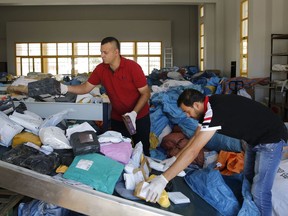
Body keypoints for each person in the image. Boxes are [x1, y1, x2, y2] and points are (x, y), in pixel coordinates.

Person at [145, 88, 288, 216]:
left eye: (186, 111)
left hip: (271, 139)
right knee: (249, 178)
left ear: (196, 105)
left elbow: (194, 151)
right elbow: (195, 138)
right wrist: (175, 159)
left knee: (261, 191)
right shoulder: (209, 105)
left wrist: (163, 179)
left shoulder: (213, 112)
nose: (187, 116)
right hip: (254, 139)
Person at [60, 36, 151, 156]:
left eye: (105, 52)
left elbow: (146, 93)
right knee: (121, 153)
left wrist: (134, 113)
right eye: (101, 52)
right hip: (119, 118)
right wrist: (66, 88)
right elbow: (86, 87)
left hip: (139, 117)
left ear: (116, 52)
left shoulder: (132, 67)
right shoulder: (100, 69)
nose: (102, 55)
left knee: (143, 151)